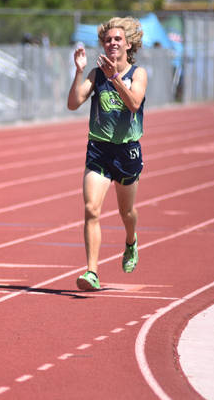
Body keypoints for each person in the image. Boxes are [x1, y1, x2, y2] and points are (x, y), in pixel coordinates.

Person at [67, 16, 147, 291]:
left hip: (127, 152)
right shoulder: (96, 73)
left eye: (117, 39)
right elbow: (73, 103)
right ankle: (92, 272)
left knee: (127, 212)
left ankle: (131, 239)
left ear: (128, 44)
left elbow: (134, 103)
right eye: (107, 40)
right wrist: (79, 71)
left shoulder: (138, 74)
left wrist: (115, 77)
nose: (112, 43)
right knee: (91, 209)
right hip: (99, 149)